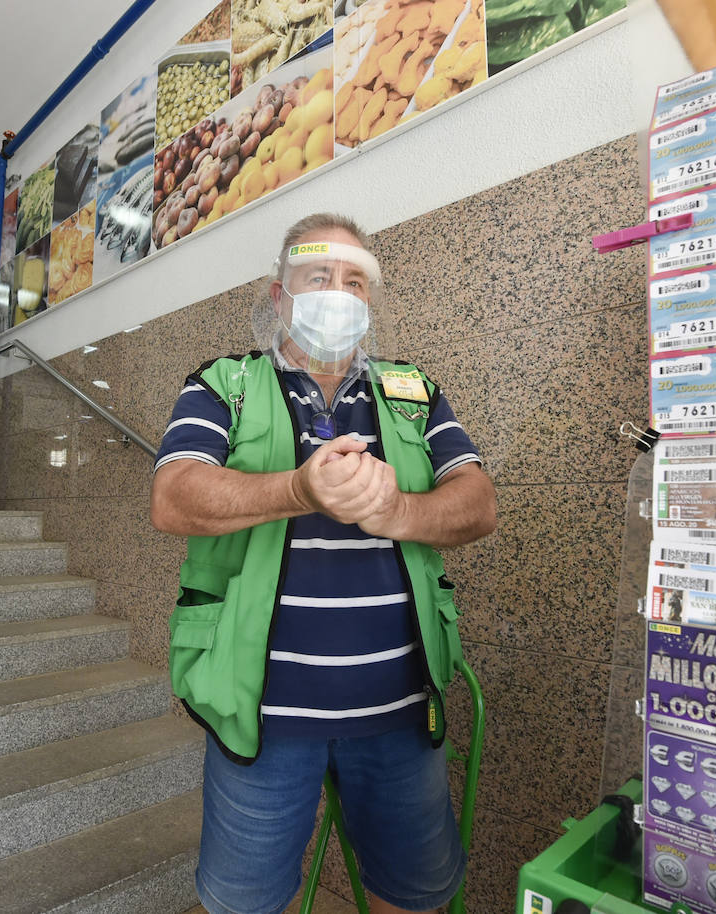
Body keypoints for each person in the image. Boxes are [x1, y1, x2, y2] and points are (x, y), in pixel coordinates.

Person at [150, 213, 496, 914]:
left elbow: (478, 504)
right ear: (280, 295)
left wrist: (399, 512)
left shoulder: (411, 392)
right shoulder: (226, 386)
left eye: (354, 281)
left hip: (400, 711)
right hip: (260, 715)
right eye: (318, 276)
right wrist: (298, 489)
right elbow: (174, 497)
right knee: (243, 902)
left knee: (416, 894)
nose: (338, 294)